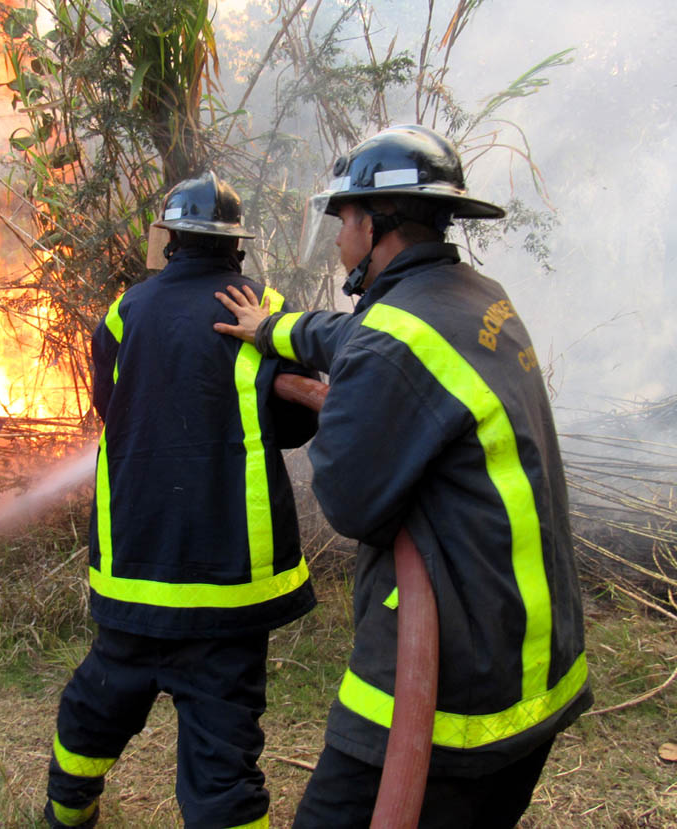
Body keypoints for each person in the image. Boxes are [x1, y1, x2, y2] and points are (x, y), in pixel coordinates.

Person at [214, 125, 592, 828]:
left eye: (343, 218)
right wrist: (271, 329)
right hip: (538, 666)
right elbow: (350, 335)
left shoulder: (392, 343)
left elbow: (349, 500)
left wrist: (339, 402)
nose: (336, 237)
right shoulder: (476, 299)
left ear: (375, 222)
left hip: (454, 688)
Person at [44, 172, 319, 829]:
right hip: (230, 583)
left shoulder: (124, 312)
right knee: (224, 747)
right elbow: (299, 425)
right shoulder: (266, 305)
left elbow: (112, 407)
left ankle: (66, 813)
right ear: (236, 246)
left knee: (96, 705)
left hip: (137, 564)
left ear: (168, 240)